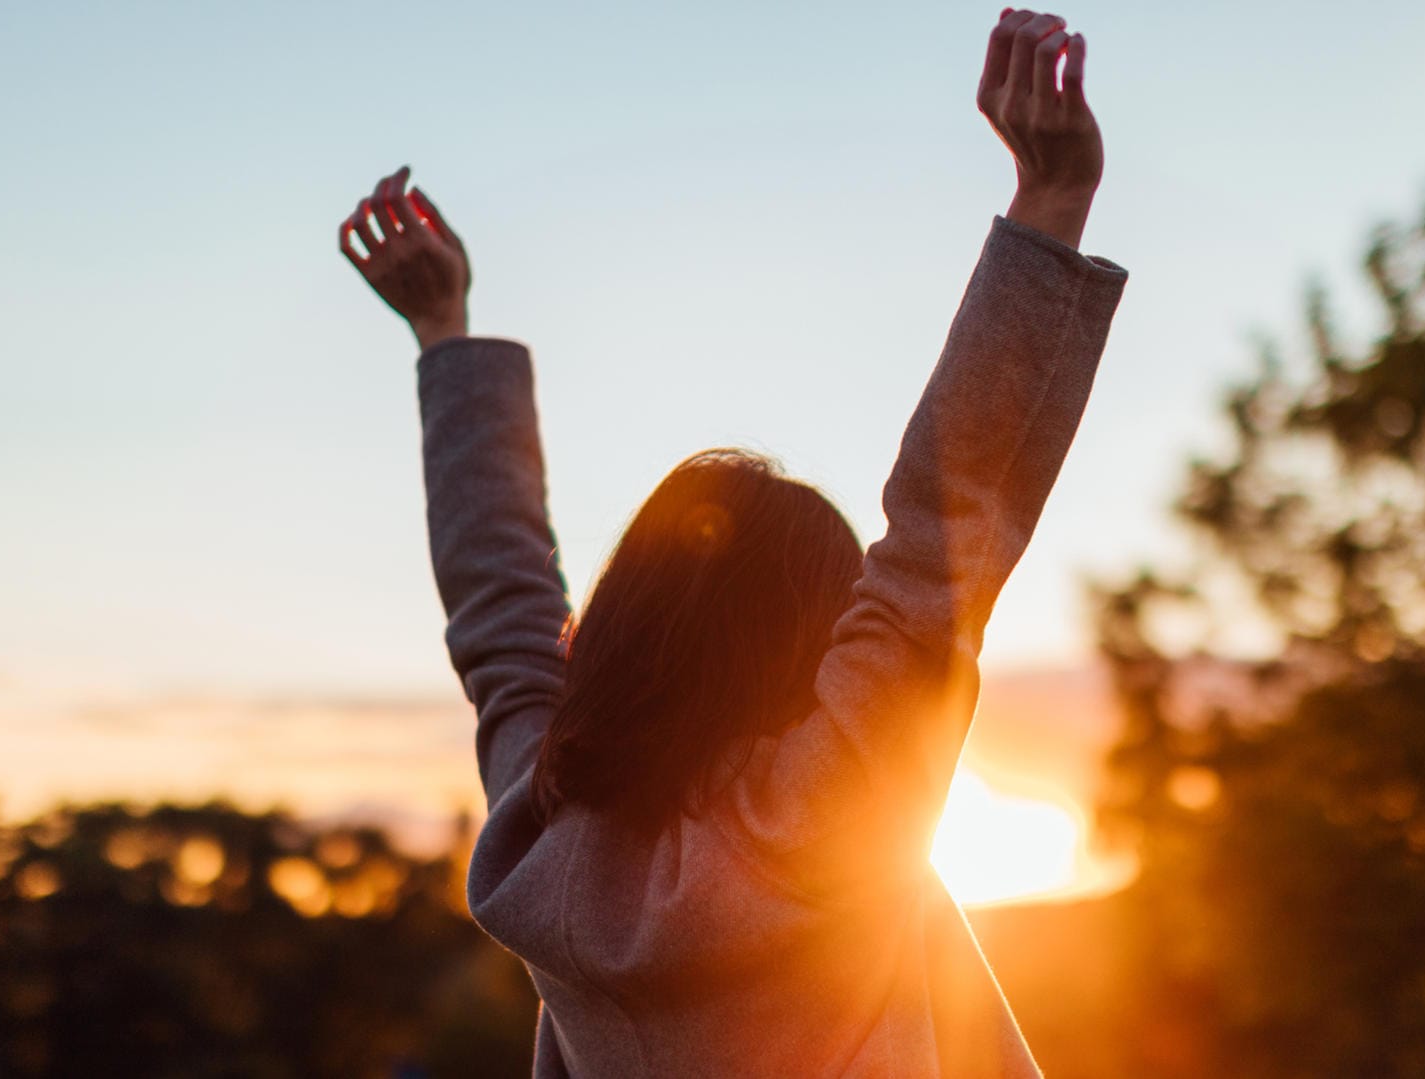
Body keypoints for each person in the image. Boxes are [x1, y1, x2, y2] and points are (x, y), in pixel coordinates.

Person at [339, 9, 1125, 1075]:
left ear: (612, 633)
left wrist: (446, 334)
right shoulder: (823, 814)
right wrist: (1051, 200)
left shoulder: (538, 838)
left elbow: (505, 618)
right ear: (805, 647)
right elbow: (941, 536)